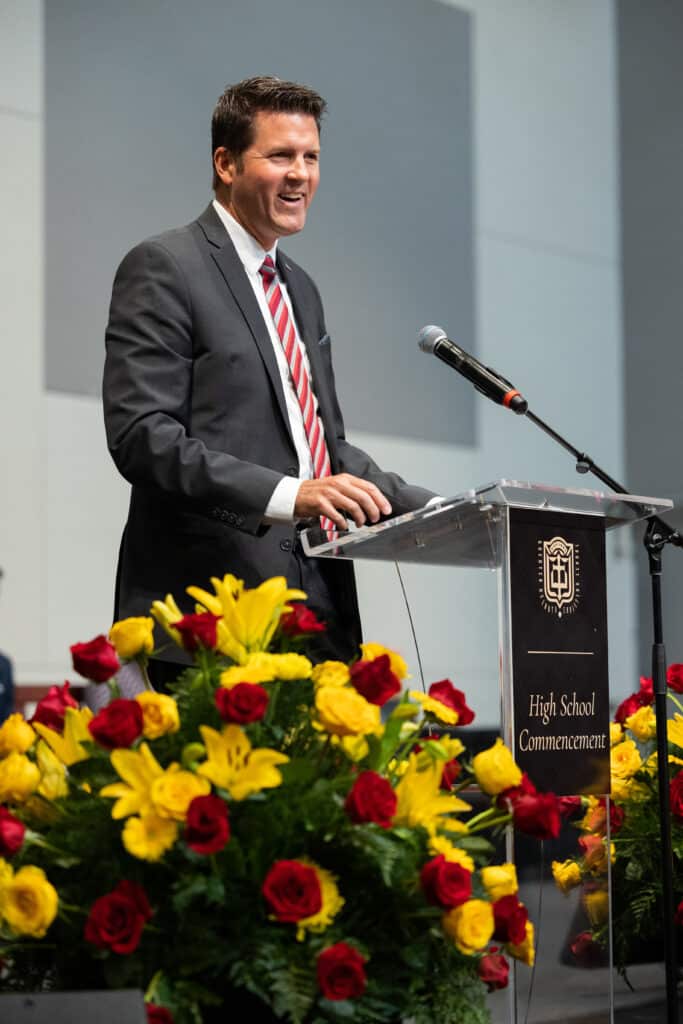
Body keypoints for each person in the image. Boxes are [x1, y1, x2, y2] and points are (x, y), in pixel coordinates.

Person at [103, 76, 435, 685]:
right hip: (209, 625)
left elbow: (325, 449)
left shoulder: (299, 289)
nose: (300, 175)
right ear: (225, 163)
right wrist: (289, 495)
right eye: (280, 156)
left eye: (311, 158)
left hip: (317, 623)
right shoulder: (166, 265)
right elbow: (143, 437)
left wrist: (445, 511)